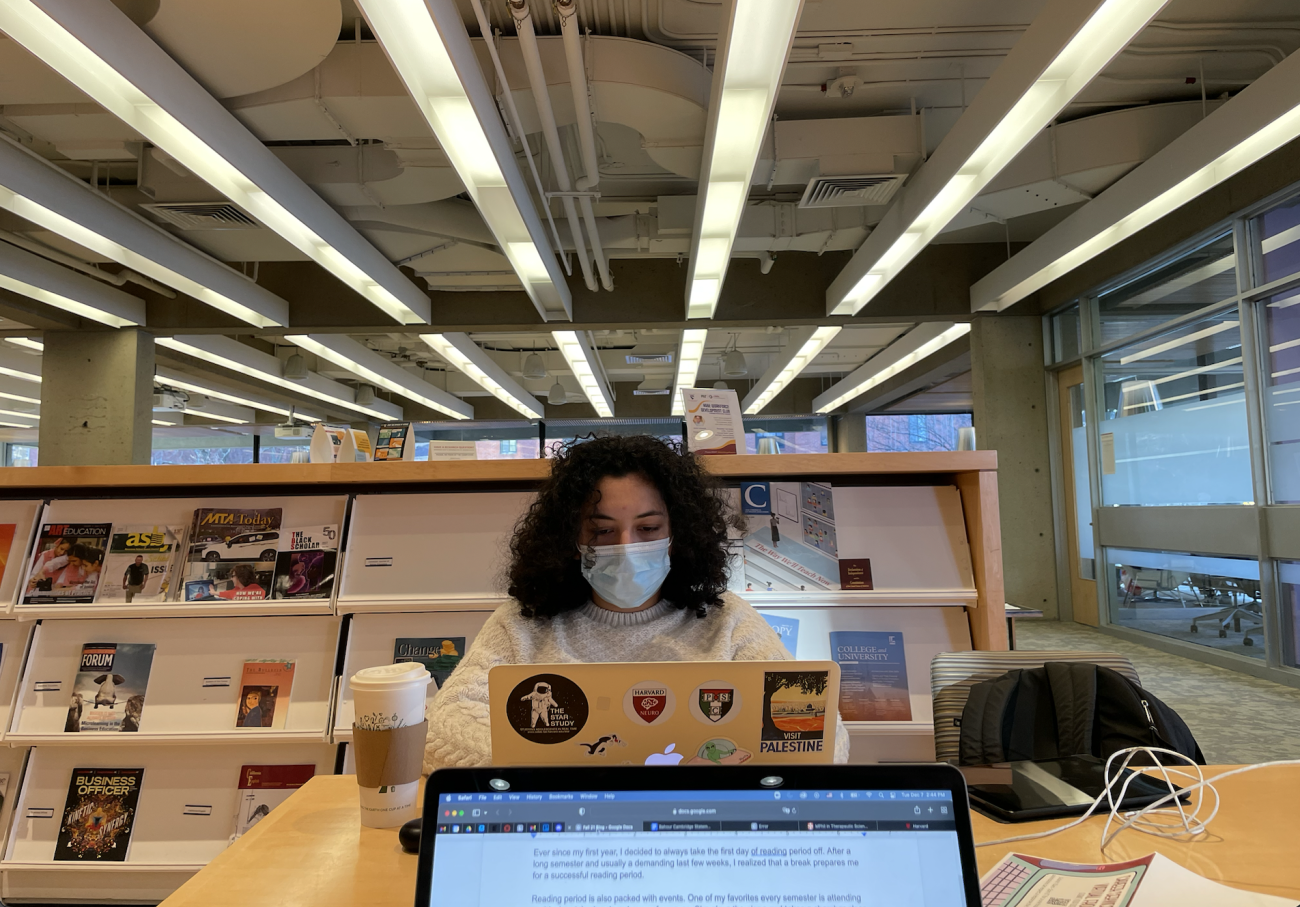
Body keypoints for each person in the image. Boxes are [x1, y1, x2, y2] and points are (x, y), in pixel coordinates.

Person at [424, 434, 850, 770]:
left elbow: (826, 735)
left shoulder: (727, 620)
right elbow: (442, 734)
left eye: (647, 528)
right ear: (571, 540)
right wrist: (588, 774)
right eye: (603, 531)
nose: (627, 548)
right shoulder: (521, 623)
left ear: (677, 534)